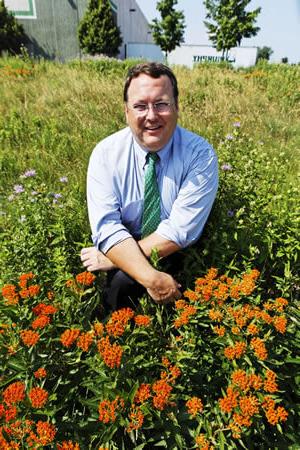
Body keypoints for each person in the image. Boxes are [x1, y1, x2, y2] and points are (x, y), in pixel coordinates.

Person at [80, 62, 218, 311]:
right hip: (123, 241)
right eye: (140, 106)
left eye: (162, 104)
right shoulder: (105, 154)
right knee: (120, 285)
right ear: (126, 112)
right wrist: (152, 278)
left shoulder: (200, 154)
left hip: (177, 248)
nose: (151, 115)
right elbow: (108, 228)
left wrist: (113, 259)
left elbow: (180, 230)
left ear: (177, 107)